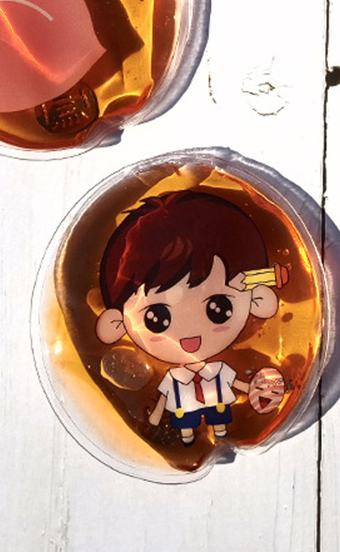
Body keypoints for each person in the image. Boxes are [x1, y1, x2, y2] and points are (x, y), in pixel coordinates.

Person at [95, 190, 283, 445]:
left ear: (258, 300)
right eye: (157, 318)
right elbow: (164, 398)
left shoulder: (218, 369)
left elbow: (236, 383)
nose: (190, 334)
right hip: (183, 415)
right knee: (187, 428)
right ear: (116, 323)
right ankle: (190, 438)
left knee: (216, 424)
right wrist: (154, 419)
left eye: (218, 308)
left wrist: (255, 390)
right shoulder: (176, 378)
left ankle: (209, 434)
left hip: (221, 411)